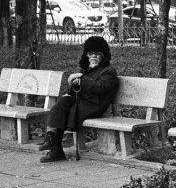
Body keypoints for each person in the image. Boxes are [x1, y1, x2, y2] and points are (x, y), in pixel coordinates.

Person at [38, 35, 120, 163]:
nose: (93, 56)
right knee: (61, 104)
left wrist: (81, 78)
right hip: (83, 102)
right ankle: (51, 139)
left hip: (96, 105)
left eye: (97, 53)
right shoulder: (86, 69)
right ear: (86, 55)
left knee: (67, 111)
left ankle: (55, 149)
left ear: (103, 55)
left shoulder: (109, 71)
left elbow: (99, 88)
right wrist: (72, 87)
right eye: (90, 53)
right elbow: (77, 89)